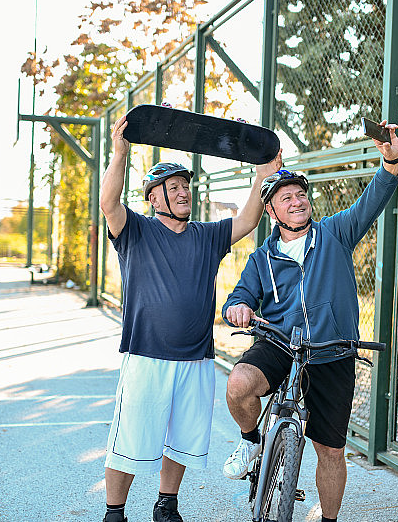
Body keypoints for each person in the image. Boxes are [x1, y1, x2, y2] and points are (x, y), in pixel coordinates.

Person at [99, 115, 282, 522]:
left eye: (186, 186)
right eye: (174, 187)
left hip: (196, 360)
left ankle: (166, 505)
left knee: (180, 441)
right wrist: (120, 152)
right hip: (146, 356)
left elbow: (249, 220)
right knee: (129, 440)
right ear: (154, 197)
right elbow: (108, 202)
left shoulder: (206, 235)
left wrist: (260, 171)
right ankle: (114, 512)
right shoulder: (136, 231)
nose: (184, 192)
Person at [221, 121, 398, 522]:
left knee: (331, 451)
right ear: (271, 211)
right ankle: (251, 442)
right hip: (281, 343)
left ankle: (328, 520)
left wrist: (389, 162)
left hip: (330, 350)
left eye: (301, 195)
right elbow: (239, 297)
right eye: (285, 198)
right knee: (238, 386)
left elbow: (372, 200)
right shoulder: (262, 259)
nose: (297, 201)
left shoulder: (335, 234)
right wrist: (236, 308)